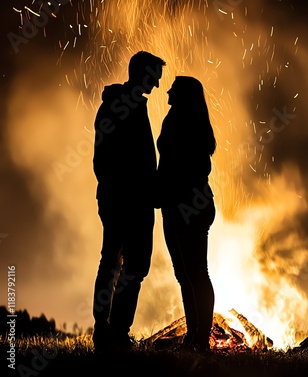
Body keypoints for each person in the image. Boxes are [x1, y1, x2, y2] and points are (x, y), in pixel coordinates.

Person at [92, 51, 166, 353]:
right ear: (142, 74)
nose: (158, 86)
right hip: (127, 202)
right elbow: (107, 159)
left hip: (125, 200)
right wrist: (135, 189)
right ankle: (113, 332)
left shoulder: (123, 104)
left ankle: (110, 331)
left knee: (116, 263)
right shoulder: (122, 106)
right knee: (122, 265)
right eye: (155, 78)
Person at [156, 76, 217, 352]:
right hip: (185, 204)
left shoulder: (183, 122)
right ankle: (195, 335)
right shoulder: (185, 119)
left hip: (187, 206)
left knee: (194, 272)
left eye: (173, 89)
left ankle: (200, 337)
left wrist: (165, 191)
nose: (167, 90)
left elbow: (181, 168)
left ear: (182, 95)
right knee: (186, 273)